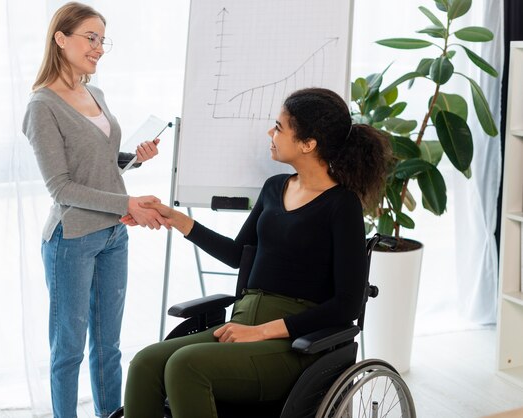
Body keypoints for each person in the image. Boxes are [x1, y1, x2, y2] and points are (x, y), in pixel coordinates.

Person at [118, 87, 392, 418]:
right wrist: (173, 217)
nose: (270, 133)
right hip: (243, 322)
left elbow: (346, 305)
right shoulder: (275, 187)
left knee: (185, 366)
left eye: (279, 127)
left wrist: (261, 331)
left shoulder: (341, 206)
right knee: (146, 363)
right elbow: (238, 254)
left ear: (308, 144)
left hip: (293, 345)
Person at [22, 2, 167, 417]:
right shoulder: (42, 106)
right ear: (60, 38)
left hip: (113, 234)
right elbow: (62, 186)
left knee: (108, 346)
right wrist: (128, 203)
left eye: (102, 40)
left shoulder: (94, 92)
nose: (99, 48)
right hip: (71, 240)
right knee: (68, 349)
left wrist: (134, 159)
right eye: (91, 37)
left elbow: (97, 163)